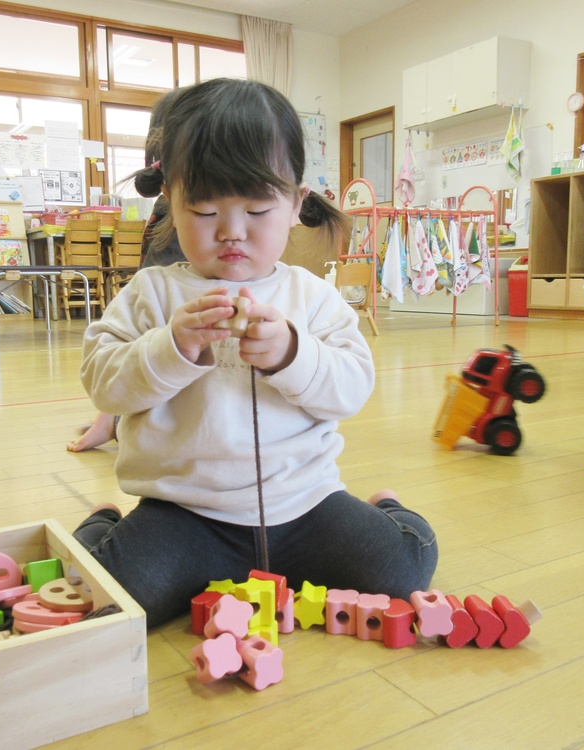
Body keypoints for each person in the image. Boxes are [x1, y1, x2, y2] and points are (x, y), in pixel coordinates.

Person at [72, 78, 438, 627]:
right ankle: (103, 523)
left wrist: (293, 352)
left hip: (304, 505)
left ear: (296, 205)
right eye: (204, 210)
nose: (231, 232)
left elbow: (352, 386)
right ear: (169, 200)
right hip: (185, 514)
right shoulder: (152, 294)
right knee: (110, 600)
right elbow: (103, 382)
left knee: (401, 571)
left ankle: (386, 509)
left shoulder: (311, 295)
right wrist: (172, 347)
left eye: (257, 210)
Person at [67, 92, 187, 453]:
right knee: (150, 332)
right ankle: (111, 419)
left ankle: (112, 419)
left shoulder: (172, 203)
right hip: (164, 303)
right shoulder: (175, 206)